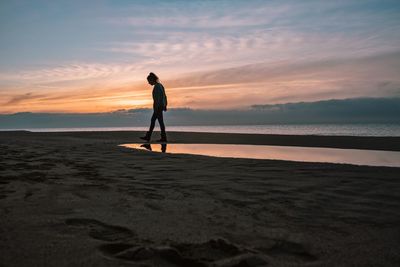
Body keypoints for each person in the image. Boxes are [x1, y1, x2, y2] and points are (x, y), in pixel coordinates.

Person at [140, 72, 168, 142]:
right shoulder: (160, 85)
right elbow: (164, 97)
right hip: (160, 107)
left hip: (158, 107)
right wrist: (165, 105)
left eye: (149, 81)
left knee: (157, 121)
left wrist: (156, 108)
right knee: (156, 121)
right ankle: (150, 136)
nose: (149, 83)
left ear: (152, 80)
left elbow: (158, 99)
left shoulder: (157, 87)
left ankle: (152, 137)